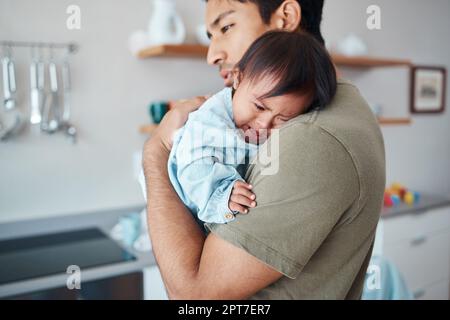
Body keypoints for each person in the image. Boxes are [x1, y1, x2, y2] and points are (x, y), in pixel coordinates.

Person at [141, 0, 385, 299]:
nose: (212, 55)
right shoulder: (340, 109)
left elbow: (192, 297)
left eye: (226, 27)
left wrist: (156, 151)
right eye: (210, 36)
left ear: (286, 17)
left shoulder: (313, 137)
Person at [166, 31, 336, 225]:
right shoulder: (210, 120)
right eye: (259, 106)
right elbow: (194, 167)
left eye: (283, 119)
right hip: (184, 203)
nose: (264, 124)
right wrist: (222, 194)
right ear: (238, 79)